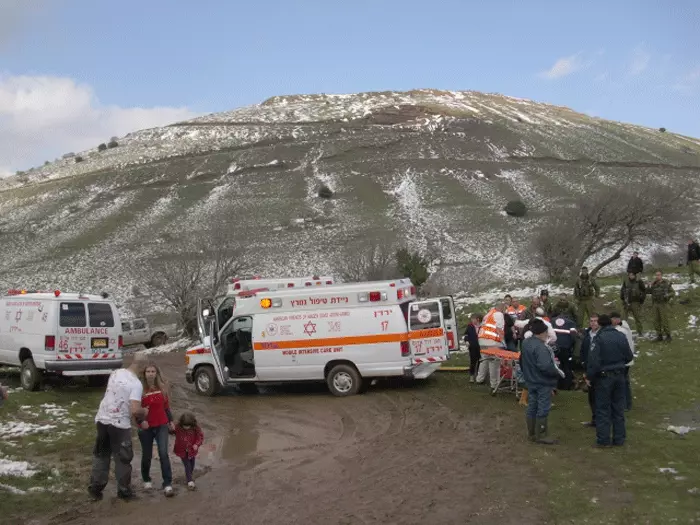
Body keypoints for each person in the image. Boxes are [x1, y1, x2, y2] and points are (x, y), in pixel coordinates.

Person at [88, 354, 149, 501]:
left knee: (101, 455)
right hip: (119, 425)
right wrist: (145, 412)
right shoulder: (136, 384)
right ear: (141, 367)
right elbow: (134, 409)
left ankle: (95, 488)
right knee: (123, 458)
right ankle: (124, 491)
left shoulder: (115, 373)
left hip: (102, 419)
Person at [586, 314, 634, 447]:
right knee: (618, 407)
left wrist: (590, 377)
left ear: (600, 324)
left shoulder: (598, 338)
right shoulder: (621, 336)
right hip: (620, 375)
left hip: (604, 377)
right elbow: (629, 356)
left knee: (602, 409)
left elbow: (594, 361)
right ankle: (619, 438)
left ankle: (603, 440)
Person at [520, 319, 565, 445]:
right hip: (542, 382)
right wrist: (556, 373)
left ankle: (532, 433)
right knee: (543, 408)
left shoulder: (526, 343)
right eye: (546, 332)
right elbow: (545, 366)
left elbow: (522, 360)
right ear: (542, 332)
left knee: (532, 406)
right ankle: (541, 434)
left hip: (531, 380)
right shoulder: (541, 347)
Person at [138, 362, 175, 497]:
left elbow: (166, 407)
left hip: (161, 425)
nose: (151, 374)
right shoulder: (139, 389)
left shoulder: (162, 388)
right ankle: (146, 479)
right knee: (147, 455)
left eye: (153, 371)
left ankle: (167, 483)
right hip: (146, 427)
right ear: (144, 374)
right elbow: (135, 410)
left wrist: (171, 421)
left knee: (163, 453)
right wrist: (141, 422)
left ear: (157, 373)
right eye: (148, 371)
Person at [476, 303, 507, 390]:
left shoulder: (489, 314)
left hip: (482, 340)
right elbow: (499, 328)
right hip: (492, 341)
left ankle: (480, 378)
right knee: (494, 362)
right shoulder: (499, 314)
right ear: (501, 308)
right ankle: (494, 384)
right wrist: (503, 342)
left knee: (484, 360)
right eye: (504, 309)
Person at [610, 312, 635, 411]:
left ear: (616, 319)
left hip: (623, 360)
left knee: (623, 382)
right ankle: (626, 403)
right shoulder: (626, 328)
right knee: (625, 382)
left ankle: (624, 404)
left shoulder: (621, 331)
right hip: (627, 359)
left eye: (612, 319)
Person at [174, 412, 204, 490]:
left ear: (192, 424)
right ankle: (189, 481)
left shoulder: (196, 428)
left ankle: (189, 475)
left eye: (188, 426)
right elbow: (171, 431)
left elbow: (200, 437)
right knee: (187, 465)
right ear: (181, 423)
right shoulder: (178, 427)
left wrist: (197, 444)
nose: (186, 427)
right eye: (184, 426)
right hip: (181, 450)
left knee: (192, 464)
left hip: (192, 450)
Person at [579, 314, 600, 428]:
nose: (593, 323)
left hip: (599, 370)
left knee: (599, 396)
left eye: (595, 321)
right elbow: (583, 351)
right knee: (591, 397)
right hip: (589, 369)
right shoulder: (587, 335)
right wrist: (583, 365)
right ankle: (595, 419)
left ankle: (601, 419)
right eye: (591, 321)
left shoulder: (601, 335)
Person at [551, 313, 577, 390]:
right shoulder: (571, 322)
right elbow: (573, 336)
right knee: (566, 367)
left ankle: (556, 385)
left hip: (554, 348)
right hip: (566, 348)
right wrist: (571, 345)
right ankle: (566, 386)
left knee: (555, 366)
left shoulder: (552, 321)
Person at [647, 270, 674, 342]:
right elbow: (648, 292)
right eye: (656, 275)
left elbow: (672, 292)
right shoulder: (654, 284)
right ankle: (659, 336)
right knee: (656, 320)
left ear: (661, 275)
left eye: (658, 275)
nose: (657, 276)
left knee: (664, 320)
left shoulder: (666, 283)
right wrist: (649, 285)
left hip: (663, 304)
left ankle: (668, 336)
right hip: (655, 304)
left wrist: (667, 295)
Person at [464, 313, 483, 383]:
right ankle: (471, 375)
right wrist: (466, 341)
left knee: (480, 361)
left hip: (481, 347)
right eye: (471, 319)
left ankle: (479, 375)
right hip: (472, 347)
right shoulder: (470, 326)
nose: (472, 320)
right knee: (473, 361)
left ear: (477, 319)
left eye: (473, 319)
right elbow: (466, 334)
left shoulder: (483, 326)